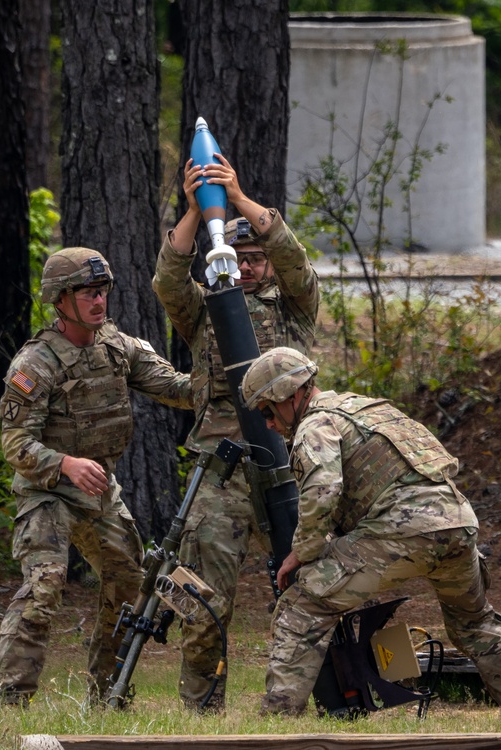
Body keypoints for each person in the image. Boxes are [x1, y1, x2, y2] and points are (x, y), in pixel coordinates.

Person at [239, 347, 501, 716]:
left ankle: (275, 721)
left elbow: (323, 490)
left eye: (267, 411)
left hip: (403, 529)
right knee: (474, 622)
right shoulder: (369, 408)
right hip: (457, 523)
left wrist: (303, 552)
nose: (269, 424)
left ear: (290, 396)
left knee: (300, 607)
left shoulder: (315, 423)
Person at [0, 247, 193, 707]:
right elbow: (16, 444)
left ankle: (108, 695)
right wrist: (65, 463)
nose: (99, 302)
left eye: (102, 292)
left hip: (100, 493)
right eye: (87, 293)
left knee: (127, 585)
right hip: (47, 493)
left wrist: (221, 379)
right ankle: (9, 702)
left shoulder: (118, 348)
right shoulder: (35, 365)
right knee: (44, 586)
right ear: (61, 300)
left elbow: (177, 389)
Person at [152, 154, 319, 712]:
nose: (245, 267)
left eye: (255, 258)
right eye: (237, 258)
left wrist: (240, 198)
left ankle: (313, 697)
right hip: (219, 469)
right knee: (202, 595)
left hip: (284, 462)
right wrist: (199, 210)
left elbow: (294, 258)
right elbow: (168, 278)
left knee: (308, 585)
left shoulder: (295, 308)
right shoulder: (204, 312)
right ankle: (202, 708)